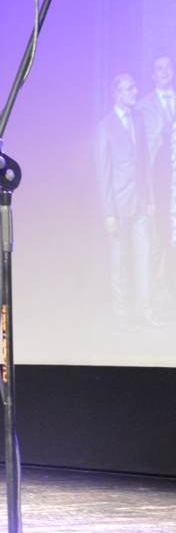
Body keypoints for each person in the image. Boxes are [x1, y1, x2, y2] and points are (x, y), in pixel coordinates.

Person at [94, 73, 158, 331]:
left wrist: (150, 197)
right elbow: (103, 172)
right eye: (130, 89)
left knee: (145, 257)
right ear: (117, 93)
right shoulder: (105, 126)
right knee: (119, 262)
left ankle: (145, 311)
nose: (135, 92)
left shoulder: (138, 119)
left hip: (141, 201)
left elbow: (145, 161)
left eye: (135, 88)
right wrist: (108, 212)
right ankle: (122, 315)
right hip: (118, 206)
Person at [134, 54, 175, 314]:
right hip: (157, 184)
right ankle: (163, 296)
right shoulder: (143, 106)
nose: (164, 71)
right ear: (152, 75)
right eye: (159, 68)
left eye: (167, 66)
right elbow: (141, 151)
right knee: (159, 238)